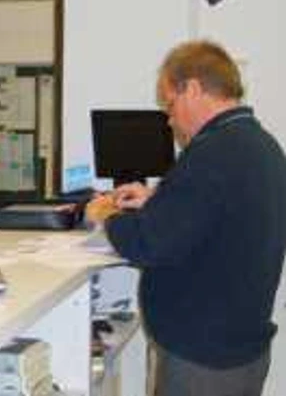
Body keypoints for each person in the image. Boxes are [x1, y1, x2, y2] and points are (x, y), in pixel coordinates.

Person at [86, 40, 286, 396]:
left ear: (192, 89)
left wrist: (108, 213)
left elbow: (147, 244)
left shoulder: (212, 154)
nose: (170, 118)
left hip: (202, 362)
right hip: (239, 352)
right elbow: (221, 216)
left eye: (170, 104)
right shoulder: (261, 146)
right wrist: (160, 199)